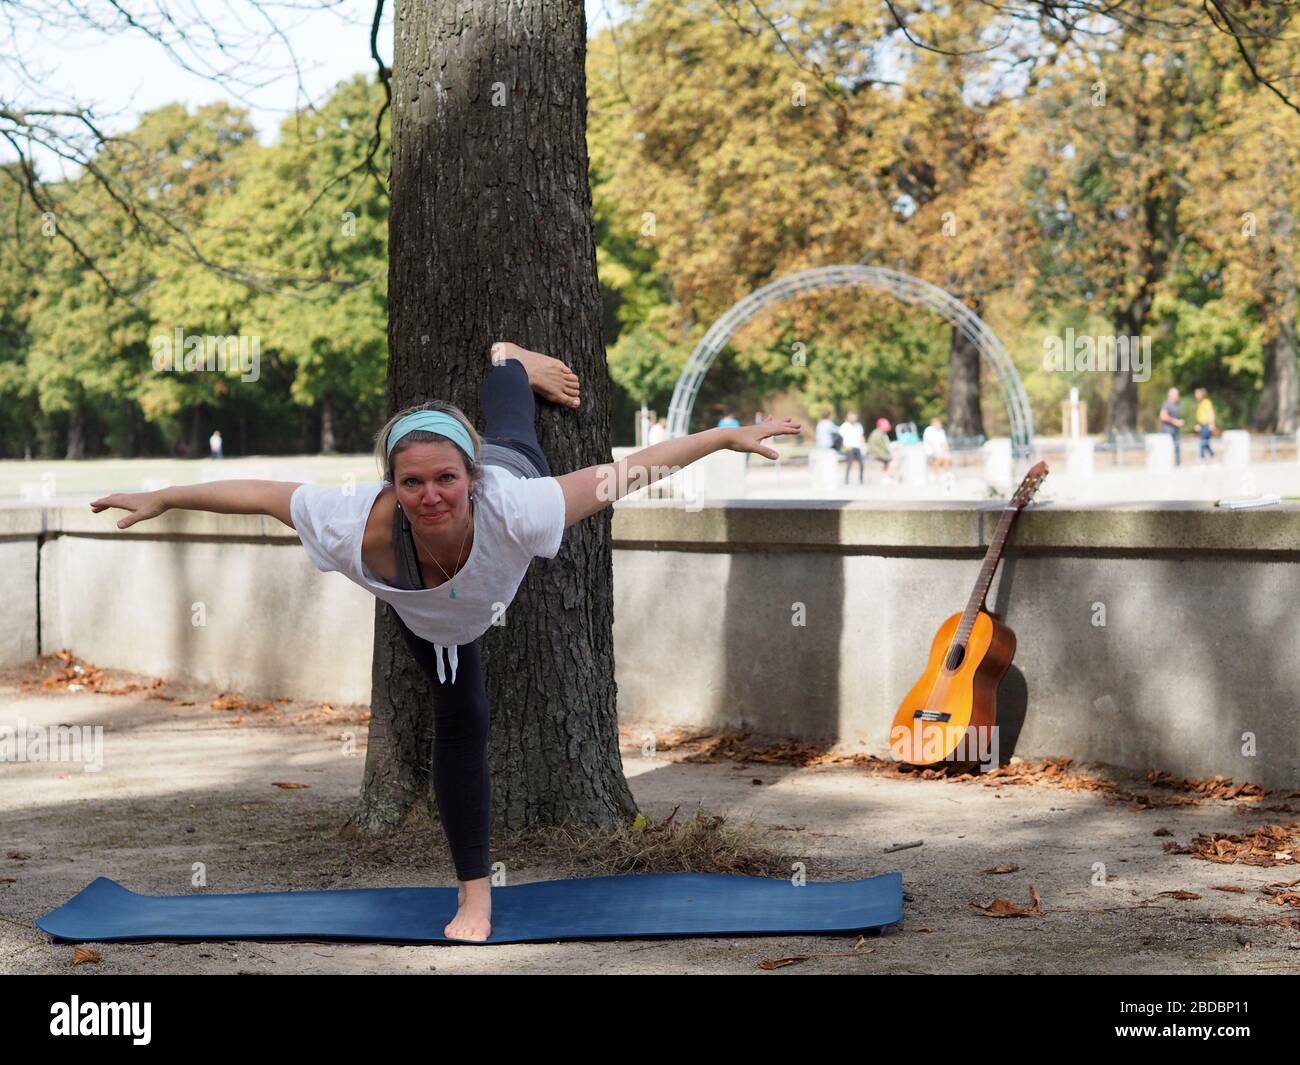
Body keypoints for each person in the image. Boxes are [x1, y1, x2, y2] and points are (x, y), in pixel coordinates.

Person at [89, 340, 799, 943]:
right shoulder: (350, 524)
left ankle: (508, 361)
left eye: (445, 479)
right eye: (413, 482)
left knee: (517, 430)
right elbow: (266, 494)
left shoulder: (514, 501)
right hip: (430, 615)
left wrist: (722, 437)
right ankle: (475, 894)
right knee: (462, 722)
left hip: (503, 485)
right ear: (392, 486)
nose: (431, 495)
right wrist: (165, 496)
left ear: (469, 478)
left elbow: (632, 471)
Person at [1159, 387, 1184, 466]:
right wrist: (1175, 421)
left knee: (1177, 447)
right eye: (1176, 394)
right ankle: (1167, 464)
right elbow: (1162, 416)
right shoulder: (1166, 404)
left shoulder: (1176, 404)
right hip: (1168, 430)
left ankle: (1177, 464)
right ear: (1170, 395)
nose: (1178, 396)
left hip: (1175, 430)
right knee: (1168, 448)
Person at [838, 411, 866, 484]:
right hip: (849, 447)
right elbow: (840, 438)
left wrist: (863, 444)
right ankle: (846, 479)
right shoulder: (844, 426)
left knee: (862, 463)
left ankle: (861, 479)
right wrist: (844, 447)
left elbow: (861, 436)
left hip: (857, 446)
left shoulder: (858, 426)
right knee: (849, 464)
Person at [867, 417, 896, 481]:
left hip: (878, 453)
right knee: (892, 460)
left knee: (890, 459)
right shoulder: (877, 434)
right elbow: (876, 448)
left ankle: (888, 476)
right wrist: (887, 455)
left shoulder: (880, 433)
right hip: (875, 453)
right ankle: (889, 477)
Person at [1194, 387, 1216, 461]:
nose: (1196, 395)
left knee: (1203, 442)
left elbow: (1211, 413)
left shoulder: (1206, 402)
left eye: (1197, 394)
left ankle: (1201, 457)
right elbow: (1201, 415)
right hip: (1203, 425)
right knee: (1205, 442)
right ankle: (1212, 455)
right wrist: (1199, 425)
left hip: (1207, 425)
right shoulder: (1200, 403)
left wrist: (1211, 424)